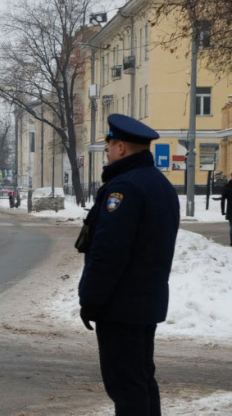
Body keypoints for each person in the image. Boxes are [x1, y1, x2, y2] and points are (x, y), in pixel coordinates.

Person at [78, 114, 180, 416]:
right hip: (145, 303)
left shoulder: (123, 189)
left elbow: (108, 252)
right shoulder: (160, 184)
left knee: (126, 386)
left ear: (121, 147)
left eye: (109, 145)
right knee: (142, 379)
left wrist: (91, 300)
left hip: (120, 306)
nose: (107, 151)